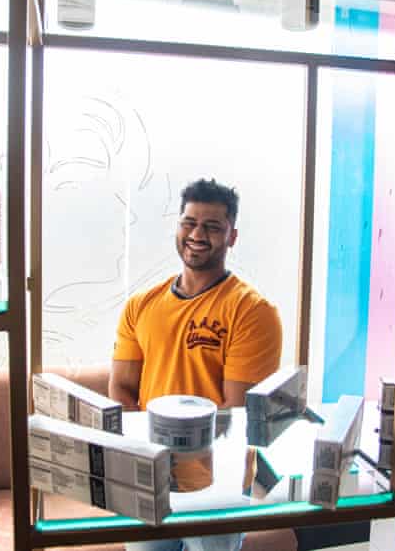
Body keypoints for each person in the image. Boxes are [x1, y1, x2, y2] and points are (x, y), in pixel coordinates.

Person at [110, 178, 283, 551]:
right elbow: (123, 387)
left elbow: (236, 412)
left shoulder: (252, 312)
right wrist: (143, 457)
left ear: (232, 236)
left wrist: (180, 458)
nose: (197, 234)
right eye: (189, 222)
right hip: (148, 478)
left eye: (212, 226)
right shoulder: (140, 306)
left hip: (214, 487)